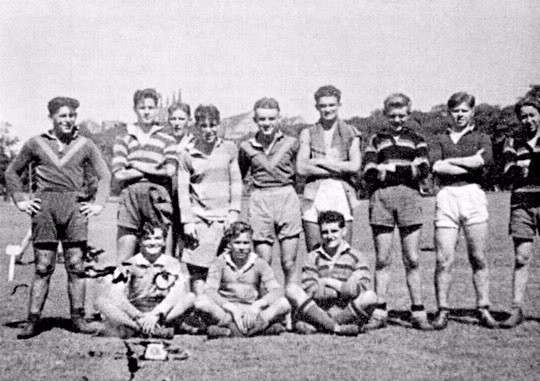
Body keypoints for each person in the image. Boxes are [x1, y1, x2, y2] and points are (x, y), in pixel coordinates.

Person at [5, 96, 111, 339]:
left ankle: (78, 319)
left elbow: (105, 175)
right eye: (62, 116)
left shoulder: (85, 144)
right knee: (43, 267)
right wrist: (21, 199)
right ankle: (32, 321)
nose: (68, 120)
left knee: (76, 266)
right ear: (51, 117)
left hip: (74, 209)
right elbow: (12, 172)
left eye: (72, 116)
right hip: (45, 209)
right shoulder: (36, 143)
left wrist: (98, 204)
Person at [361, 93, 432, 331]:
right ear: (385, 115)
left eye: (402, 115)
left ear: (409, 114)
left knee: (412, 258)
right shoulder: (376, 139)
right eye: (392, 116)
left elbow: (422, 170)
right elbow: (369, 171)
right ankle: (379, 311)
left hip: (409, 199)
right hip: (381, 200)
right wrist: (403, 169)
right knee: (382, 259)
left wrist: (388, 170)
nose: (397, 120)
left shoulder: (417, 138)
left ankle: (418, 311)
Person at [430, 92, 497, 329]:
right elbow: (437, 166)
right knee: (443, 259)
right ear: (449, 114)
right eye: (455, 111)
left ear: (472, 112)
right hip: (447, 196)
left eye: (464, 110)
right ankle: (443, 310)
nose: (460, 115)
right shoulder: (439, 139)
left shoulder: (482, 136)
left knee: (478, 256)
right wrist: (469, 162)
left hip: (473, 195)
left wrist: (453, 163)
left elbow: (483, 162)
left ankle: (483, 307)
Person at [177, 105, 242, 295]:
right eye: (203, 126)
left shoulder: (229, 149)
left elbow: (236, 182)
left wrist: (234, 212)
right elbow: (183, 191)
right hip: (199, 218)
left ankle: (218, 314)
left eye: (212, 125)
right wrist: (188, 222)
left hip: (224, 219)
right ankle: (199, 311)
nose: (208, 130)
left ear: (219, 124)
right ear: (196, 126)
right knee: (198, 269)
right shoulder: (187, 153)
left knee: (222, 269)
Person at [238, 97, 302, 286]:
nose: (267, 123)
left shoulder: (292, 143)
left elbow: (301, 171)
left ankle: (292, 305)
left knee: (288, 262)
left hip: (286, 197)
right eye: (262, 119)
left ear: (278, 118)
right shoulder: (246, 146)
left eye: (271, 119)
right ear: (255, 120)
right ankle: (265, 309)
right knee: (263, 263)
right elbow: (239, 175)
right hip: (260, 199)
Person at [95, 223, 194, 338]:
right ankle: (141, 328)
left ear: (163, 242)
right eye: (147, 239)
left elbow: (176, 292)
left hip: (162, 311)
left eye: (157, 238)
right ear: (140, 241)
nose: (153, 243)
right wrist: (138, 316)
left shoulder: (171, 263)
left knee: (190, 297)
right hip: (136, 310)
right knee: (101, 301)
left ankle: (151, 326)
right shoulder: (129, 264)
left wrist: (156, 314)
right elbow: (117, 293)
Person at [286, 211, 377, 336]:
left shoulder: (356, 256)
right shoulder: (312, 257)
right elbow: (310, 290)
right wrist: (344, 289)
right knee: (291, 290)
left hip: (346, 311)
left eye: (334, 231)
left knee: (370, 296)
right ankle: (336, 327)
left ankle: (322, 325)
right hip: (318, 310)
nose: (329, 236)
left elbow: (361, 289)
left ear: (343, 231)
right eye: (325, 232)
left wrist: (329, 282)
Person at [112, 88, 177, 262]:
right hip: (130, 197)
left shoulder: (167, 139)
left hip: (157, 196)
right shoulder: (123, 138)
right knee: (125, 259)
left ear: (157, 109)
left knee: (162, 258)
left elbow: (170, 171)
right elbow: (119, 174)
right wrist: (153, 169)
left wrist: (137, 165)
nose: (147, 112)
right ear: (135, 109)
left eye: (151, 107)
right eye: (142, 107)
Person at [194, 221, 291, 338]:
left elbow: (276, 290)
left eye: (246, 243)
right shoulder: (220, 262)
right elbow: (210, 291)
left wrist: (257, 305)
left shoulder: (259, 263)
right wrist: (232, 308)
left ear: (251, 243)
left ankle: (231, 331)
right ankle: (258, 329)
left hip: (251, 310)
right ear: (230, 243)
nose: (241, 247)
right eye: (237, 243)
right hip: (228, 311)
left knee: (283, 303)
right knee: (201, 302)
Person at [297, 85, 361, 251]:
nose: (327, 109)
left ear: (339, 105)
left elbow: (354, 166)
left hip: (342, 191)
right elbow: (301, 168)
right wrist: (339, 167)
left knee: (344, 250)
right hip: (314, 193)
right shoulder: (308, 133)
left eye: (331, 105)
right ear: (317, 107)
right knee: (314, 251)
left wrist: (319, 161)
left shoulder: (351, 132)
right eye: (323, 106)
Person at [499, 97, 540, 328]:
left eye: (532, 115)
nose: (528, 120)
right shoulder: (512, 141)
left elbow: (519, 170)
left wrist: (525, 167)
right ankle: (516, 309)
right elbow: (507, 173)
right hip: (521, 204)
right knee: (521, 257)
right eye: (523, 116)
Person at [167, 102, 195, 257]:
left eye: (181, 119)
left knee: (188, 251)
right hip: (166, 201)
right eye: (173, 119)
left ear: (189, 121)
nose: (177, 123)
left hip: (188, 203)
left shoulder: (195, 144)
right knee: (166, 250)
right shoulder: (164, 142)